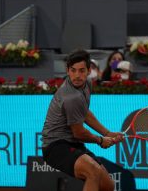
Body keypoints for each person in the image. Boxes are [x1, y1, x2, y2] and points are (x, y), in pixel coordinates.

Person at [41, 49, 124, 191]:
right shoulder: (71, 96)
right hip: (56, 146)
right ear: (67, 70)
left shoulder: (87, 84)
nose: (77, 76)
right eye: (73, 71)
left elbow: (85, 113)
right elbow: (79, 133)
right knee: (92, 172)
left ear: (88, 70)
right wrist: (100, 140)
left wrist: (108, 133)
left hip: (73, 144)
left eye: (81, 71)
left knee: (108, 186)